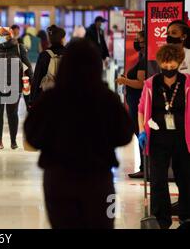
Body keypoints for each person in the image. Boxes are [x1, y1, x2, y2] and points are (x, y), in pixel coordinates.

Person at [24, 39, 134, 229]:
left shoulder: (50, 99)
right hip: (99, 179)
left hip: (58, 179)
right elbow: (124, 135)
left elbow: (32, 139)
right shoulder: (107, 99)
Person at [138, 44, 190, 229]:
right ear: (160, 63)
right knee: (158, 179)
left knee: (185, 177)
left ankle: (186, 215)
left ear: (179, 63)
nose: (168, 70)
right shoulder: (151, 83)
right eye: (165, 66)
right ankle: (161, 219)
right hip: (158, 137)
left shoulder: (188, 83)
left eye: (172, 67)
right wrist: (142, 131)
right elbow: (141, 109)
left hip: (183, 138)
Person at [0, 27, 33, 151]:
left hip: (14, 86)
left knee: (12, 114)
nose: (0, 35)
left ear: (10, 35)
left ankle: (13, 141)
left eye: (3, 34)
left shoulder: (19, 48)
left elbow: (28, 66)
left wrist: (32, 82)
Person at [116, 31, 147, 179]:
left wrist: (125, 81)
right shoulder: (141, 58)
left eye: (138, 39)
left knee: (139, 132)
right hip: (134, 100)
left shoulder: (144, 60)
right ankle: (143, 166)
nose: (135, 42)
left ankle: (144, 167)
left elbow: (141, 84)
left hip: (138, 101)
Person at [31, 25, 66, 103]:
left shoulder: (44, 55)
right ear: (62, 39)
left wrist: (32, 100)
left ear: (49, 39)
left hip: (47, 96)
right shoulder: (69, 53)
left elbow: (37, 78)